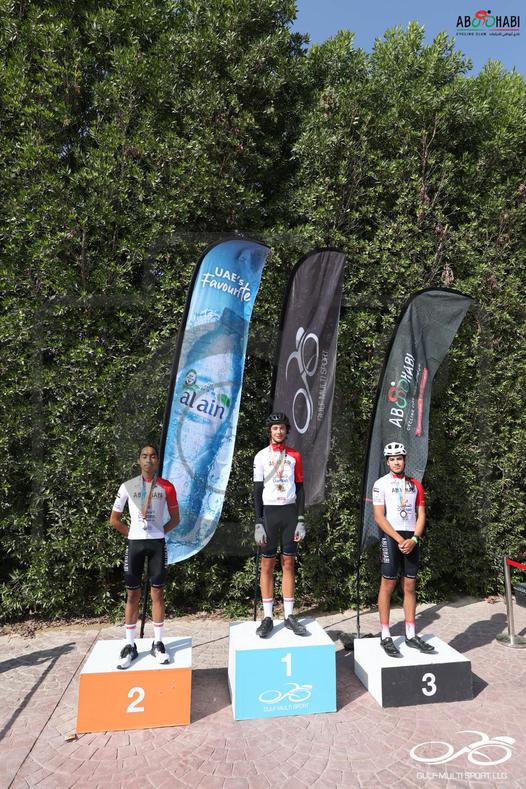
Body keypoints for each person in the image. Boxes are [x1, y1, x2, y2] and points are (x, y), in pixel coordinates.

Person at [110, 445, 179, 669]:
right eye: (144, 456)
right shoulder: (127, 486)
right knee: (132, 594)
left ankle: (158, 643)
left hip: (157, 544)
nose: (149, 460)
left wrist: (158, 533)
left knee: (157, 593)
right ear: (139, 460)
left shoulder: (167, 486)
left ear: (158, 460)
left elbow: (175, 519)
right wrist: (133, 534)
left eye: (153, 456)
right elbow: (114, 520)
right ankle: (130, 645)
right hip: (135, 544)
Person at [372, 442, 434, 657]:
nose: (396, 462)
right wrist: (400, 539)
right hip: (391, 537)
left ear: (405, 460)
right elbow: (378, 516)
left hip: (412, 538)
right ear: (387, 462)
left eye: (399, 458)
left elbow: (421, 514)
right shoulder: (380, 484)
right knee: (388, 583)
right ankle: (385, 635)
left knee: (410, 584)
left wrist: (415, 538)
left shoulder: (415, 484)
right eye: (392, 459)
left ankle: (410, 634)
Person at [253, 412, 308, 638]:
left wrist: (301, 519)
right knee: (267, 565)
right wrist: (258, 521)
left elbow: (300, 489)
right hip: (269, 513)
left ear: (287, 431)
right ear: (270, 431)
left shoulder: (295, 455)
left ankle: (289, 615)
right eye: (275, 428)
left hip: (289, 513)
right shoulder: (260, 456)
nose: (279, 431)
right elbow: (257, 491)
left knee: (288, 564)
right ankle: (267, 617)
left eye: (282, 428)